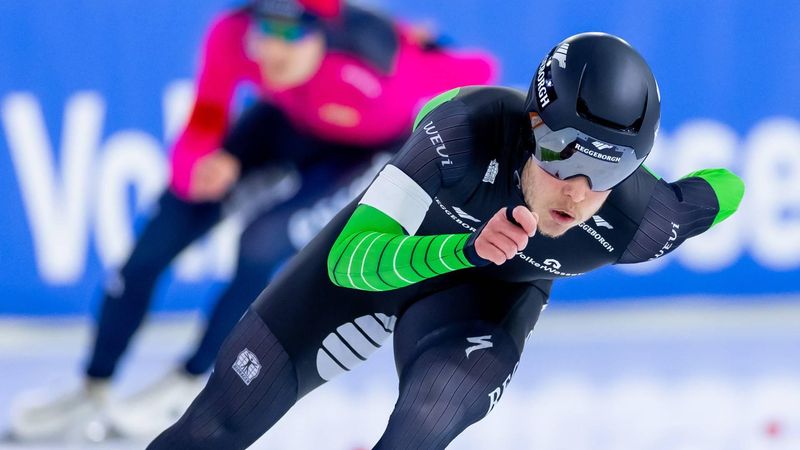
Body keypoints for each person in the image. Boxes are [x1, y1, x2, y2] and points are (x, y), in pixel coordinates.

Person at [146, 32, 745, 449]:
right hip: (388, 256)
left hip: (484, 303)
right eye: (566, 156)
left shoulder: (639, 220)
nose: (580, 191)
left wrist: (637, 177)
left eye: (610, 169)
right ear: (534, 125)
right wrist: (467, 248)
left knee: (420, 430)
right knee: (211, 430)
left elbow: (728, 187)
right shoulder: (461, 130)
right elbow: (350, 262)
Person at [9, 0, 497, 441]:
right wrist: (198, 164)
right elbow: (205, 116)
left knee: (262, 243)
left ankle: (191, 380)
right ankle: (93, 385)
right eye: (264, 31)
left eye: (291, 35)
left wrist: (427, 46)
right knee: (159, 236)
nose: (271, 50)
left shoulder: (378, 64)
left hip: (357, 153)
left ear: (325, 37)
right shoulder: (231, 35)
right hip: (282, 125)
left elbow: (480, 76)